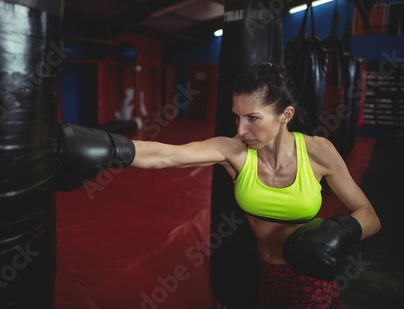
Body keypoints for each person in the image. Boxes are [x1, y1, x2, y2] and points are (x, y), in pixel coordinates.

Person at [130, 62, 381, 308]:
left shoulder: (318, 152)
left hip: (309, 280)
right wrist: (109, 147)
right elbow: (164, 155)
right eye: (237, 117)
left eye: (252, 118)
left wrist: (337, 233)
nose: (241, 129)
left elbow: (370, 216)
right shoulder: (235, 151)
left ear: (286, 115)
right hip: (265, 274)